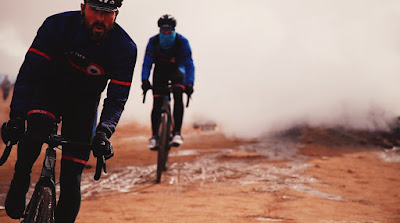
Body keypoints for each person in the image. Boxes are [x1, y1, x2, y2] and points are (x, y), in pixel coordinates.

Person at [0, 0, 137, 222]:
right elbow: (30, 73)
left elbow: (116, 98)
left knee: (72, 175)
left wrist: (103, 132)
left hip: (84, 106)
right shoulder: (57, 25)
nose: (100, 19)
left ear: (116, 14)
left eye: (107, 13)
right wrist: (17, 116)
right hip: (48, 92)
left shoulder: (125, 47)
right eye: (95, 11)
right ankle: (20, 177)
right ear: (83, 8)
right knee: (34, 136)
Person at [141, 14, 195, 150]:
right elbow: (147, 63)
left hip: (177, 71)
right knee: (157, 102)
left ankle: (177, 132)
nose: (166, 34)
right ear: (159, 30)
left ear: (174, 30)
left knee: (178, 94)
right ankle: (154, 136)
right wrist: (145, 80)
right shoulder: (153, 42)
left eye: (169, 32)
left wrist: (189, 83)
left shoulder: (182, 42)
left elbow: (189, 65)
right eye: (163, 32)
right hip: (160, 72)